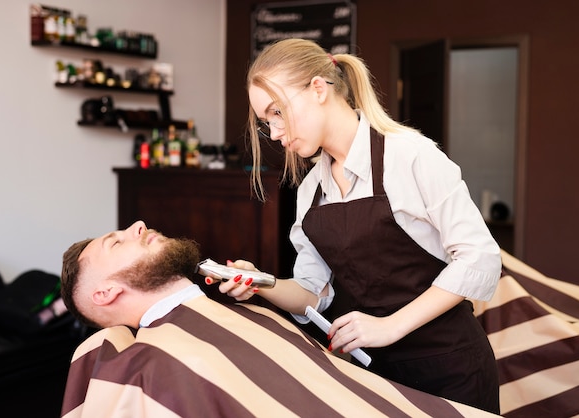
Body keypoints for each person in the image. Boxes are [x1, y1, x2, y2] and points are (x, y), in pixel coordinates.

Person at [208, 38, 502, 414]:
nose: (276, 133)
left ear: (318, 88)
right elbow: (314, 293)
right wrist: (262, 284)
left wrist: (389, 326)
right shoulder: (312, 189)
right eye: (268, 123)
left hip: (451, 370)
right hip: (375, 377)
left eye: (277, 112)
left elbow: (480, 259)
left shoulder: (410, 155)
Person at [58, 221, 497, 418]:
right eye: (116, 243)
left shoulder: (244, 308)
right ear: (106, 293)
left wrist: (263, 284)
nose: (137, 225)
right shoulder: (155, 365)